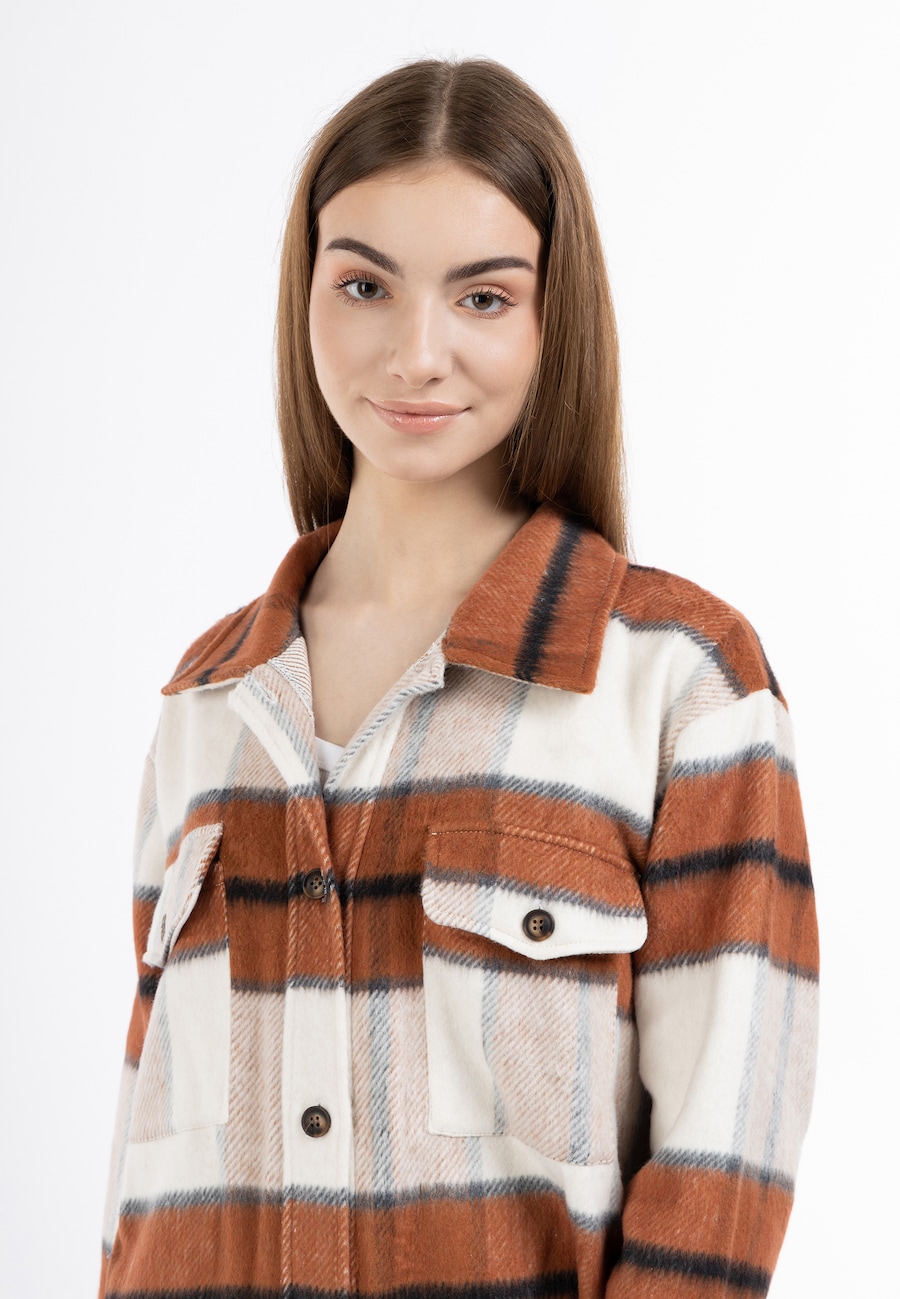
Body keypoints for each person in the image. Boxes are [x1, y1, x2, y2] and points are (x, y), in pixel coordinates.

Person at [98, 57, 818, 1299]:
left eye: (482, 297)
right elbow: (142, 1181)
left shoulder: (683, 685)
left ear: (552, 320)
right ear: (305, 299)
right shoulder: (208, 702)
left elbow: (723, 1175)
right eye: (364, 285)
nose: (415, 353)